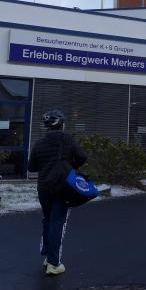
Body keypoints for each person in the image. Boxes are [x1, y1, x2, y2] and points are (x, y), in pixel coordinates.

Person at [28, 109, 87, 276]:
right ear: (61, 124)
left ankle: (47, 255)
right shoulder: (67, 140)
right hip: (62, 187)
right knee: (57, 222)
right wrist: (70, 166)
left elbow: (31, 167)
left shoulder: (39, 143)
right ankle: (54, 264)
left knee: (48, 219)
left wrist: (46, 164)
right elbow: (82, 157)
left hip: (43, 188)